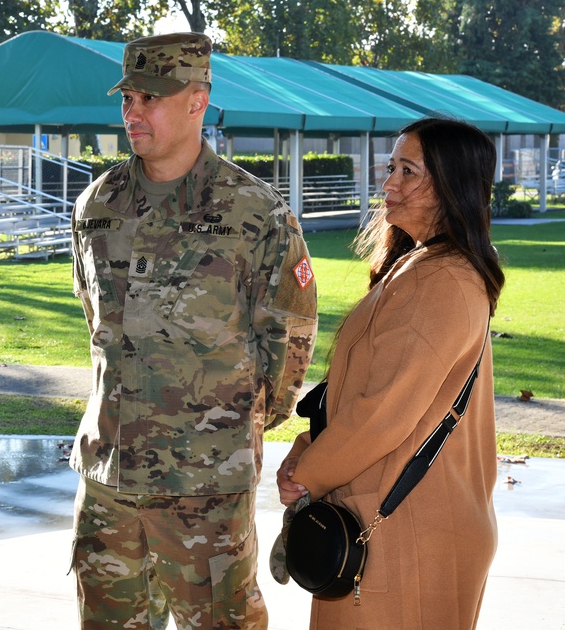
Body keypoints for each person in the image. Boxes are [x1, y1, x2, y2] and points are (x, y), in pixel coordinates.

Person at [68, 32, 318, 629]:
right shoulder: (96, 206)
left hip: (204, 484)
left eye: (149, 97)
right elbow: (95, 322)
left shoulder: (254, 213)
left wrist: (239, 424)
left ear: (196, 101)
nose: (133, 111)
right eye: (127, 97)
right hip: (108, 479)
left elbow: (289, 336)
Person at [276, 117, 504, 629]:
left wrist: (306, 476)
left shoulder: (443, 279)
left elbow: (382, 413)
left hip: (408, 531)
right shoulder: (421, 265)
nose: (388, 184)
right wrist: (308, 451)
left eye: (408, 171)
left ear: (452, 185)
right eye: (390, 167)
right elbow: (360, 393)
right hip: (389, 518)